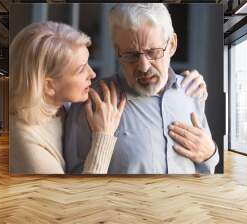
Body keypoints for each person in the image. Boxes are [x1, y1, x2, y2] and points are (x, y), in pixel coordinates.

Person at [9, 21, 210, 174]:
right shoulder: (26, 147)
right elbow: (71, 208)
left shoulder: (58, 104)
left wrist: (185, 82)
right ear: (49, 85)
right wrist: (103, 137)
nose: (93, 74)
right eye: (80, 70)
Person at [64, 3, 219, 174]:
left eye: (153, 52)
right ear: (117, 52)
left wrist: (210, 154)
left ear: (172, 45)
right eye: (131, 55)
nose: (144, 67)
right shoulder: (92, 104)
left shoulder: (192, 90)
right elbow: (76, 185)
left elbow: (206, 172)